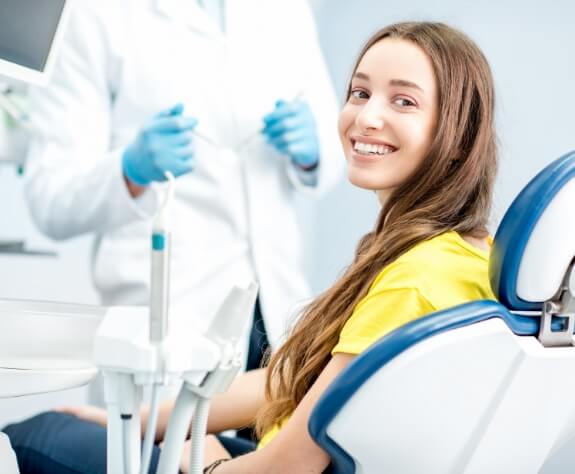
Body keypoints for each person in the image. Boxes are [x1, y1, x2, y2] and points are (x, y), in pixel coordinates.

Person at [5, 21, 498, 473]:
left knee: (33, 438)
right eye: (359, 92)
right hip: (189, 315)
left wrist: (202, 460)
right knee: (76, 429)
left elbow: (289, 464)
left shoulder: (413, 279)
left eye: (403, 101)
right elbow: (292, 381)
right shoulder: (457, 255)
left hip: (264, 413)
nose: (366, 116)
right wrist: (141, 420)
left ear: (458, 133)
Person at [23, 0, 343, 370]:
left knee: (275, 419)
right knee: (165, 426)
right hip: (168, 316)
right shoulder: (93, 13)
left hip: (277, 310)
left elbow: (334, 153)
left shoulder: (286, 10)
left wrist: (313, 151)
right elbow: (51, 197)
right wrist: (130, 171)